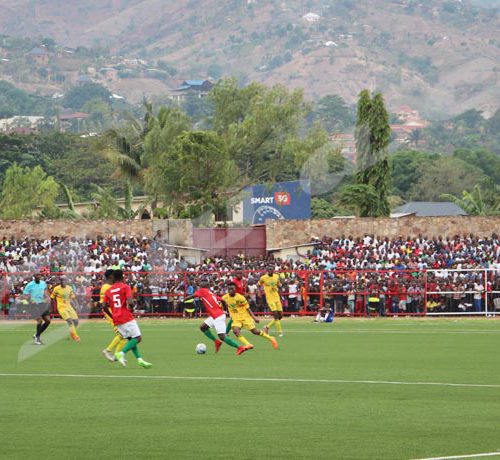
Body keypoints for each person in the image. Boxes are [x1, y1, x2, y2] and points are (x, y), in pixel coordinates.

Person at [103, 270, 152, 368]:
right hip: (126, 316)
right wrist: (133, 308)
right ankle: (121, 353)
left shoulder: (108, 291)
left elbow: (104, 306)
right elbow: (131, 302)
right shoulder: (125, 287)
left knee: (131, 339)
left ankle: (140, 359)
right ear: (122, 277)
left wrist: (112, 316)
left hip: (117, 319)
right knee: (138, 338)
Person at [185, 279, 248, 355]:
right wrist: (225, 311)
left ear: (203, 286)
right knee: (203, 327)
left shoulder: (202, 291)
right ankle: (216, 342)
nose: (199, 286)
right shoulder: (211, 293)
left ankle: (239, 347)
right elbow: (223, 301)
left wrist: (185, 299)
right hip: (216, 315)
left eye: (200, 285)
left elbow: (193, 296)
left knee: (222, 336)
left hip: (217, 316)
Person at [222, 282, 278, 350]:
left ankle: (271, 338)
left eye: (232, 289)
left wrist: (254, 318)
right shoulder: (224, 298)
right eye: (229, 289)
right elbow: (222, 306)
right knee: (235, 331)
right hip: (235, 318)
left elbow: (248, 308)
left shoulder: (240, 297)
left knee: (254, 331)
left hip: (245, 317)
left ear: (235, 289)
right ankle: (248, 344)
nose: (230, 290)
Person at [100, 269, 127, 362]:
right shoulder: (107, 287)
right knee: (122, 334)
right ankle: (108, 350)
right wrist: (112, 316)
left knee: (123, 336)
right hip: (112, 313)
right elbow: (105, 305)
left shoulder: (108, 286)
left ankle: (117, 355)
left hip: (114, 313)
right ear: (111, 277)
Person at [23, 273, 50, 345]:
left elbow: (45, 292)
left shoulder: (43, 283)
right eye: (37, 275)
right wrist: (30, 300)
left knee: (48, 321)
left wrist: (47, 297)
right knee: (40, 320)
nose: (39, 277)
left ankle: (36, 335)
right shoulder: (30, 285)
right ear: (34, 277)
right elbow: (25, 295)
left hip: (42, 304)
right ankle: (37, 339)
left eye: (40, 275)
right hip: (34, 305)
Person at [50, 276, 80, 342]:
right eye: (61, 280)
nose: (63, 281)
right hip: (61, 307)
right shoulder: (56, 289)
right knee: (69, 321)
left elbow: (73, 297)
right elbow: (52, 298)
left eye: (64, 280)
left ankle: (72, 332)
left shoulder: (69, 288)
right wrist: (52, 307)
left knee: (76, 322)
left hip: (69, 307)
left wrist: (77, 305)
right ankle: (75, 335)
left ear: (66, 281)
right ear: (60, 281)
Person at [259, 267, 284, 336]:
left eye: (271, 270)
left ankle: (267, 327)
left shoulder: (276, 276)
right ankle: (280, 332)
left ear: (273, 271)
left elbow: (279, 285)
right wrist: (259, 292)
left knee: (280, 316)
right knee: (275, 315)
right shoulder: (263, 278)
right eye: (268, 270)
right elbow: (258, 284)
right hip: (270, 298)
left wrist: (280, 286)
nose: (270, 271)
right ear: (267, 271)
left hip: (277, 297)